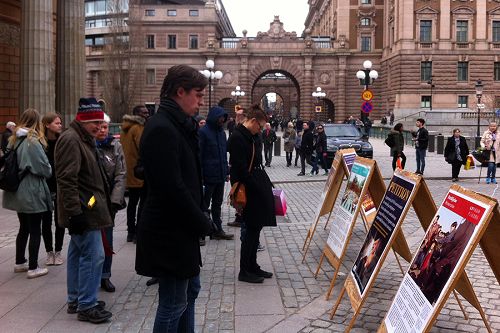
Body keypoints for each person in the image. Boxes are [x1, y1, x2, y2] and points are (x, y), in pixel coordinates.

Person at [135, 65, 213, 332]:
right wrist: (202, 221)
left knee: (190, 291)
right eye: (198, 94)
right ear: (180, 92)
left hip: (181, 228)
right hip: (168, 231)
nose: (201, 101)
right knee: (173, 302)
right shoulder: (161, 128)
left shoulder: (178, 125)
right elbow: (172, 188)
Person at [55, 98, 113, 323]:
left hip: (87, 205)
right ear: (83, 120)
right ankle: (86, 305)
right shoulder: (72, 139)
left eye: (101, 122)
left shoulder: (82, 137)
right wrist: (75, 213)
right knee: (93, 256)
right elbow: (67, 180)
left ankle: (77, 299)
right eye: (95, 123)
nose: (99, 127)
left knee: (78, 254)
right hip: (84, 209)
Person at [227, 104, 276, 283]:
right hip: (249, 188)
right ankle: (245, 270)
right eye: (260, 126)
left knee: (256, 229)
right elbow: (239, 169)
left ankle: (253, 265)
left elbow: (256, 162)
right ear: (253, 121)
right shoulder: (238, 138)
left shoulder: (251, 136)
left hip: (256, 183)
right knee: (250, 230)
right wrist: (256, 186)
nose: (261, 130)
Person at [3, 109, 52, 279]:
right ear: (36, 121)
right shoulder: (32, 140)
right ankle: (33, 267)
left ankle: (19, 262)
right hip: (31, 188)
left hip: (17, 188)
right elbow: (43, 168)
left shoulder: (13, 139)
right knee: (35, 229)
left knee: (23, 227)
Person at [96, 114, 126, 293]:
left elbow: (121, 174)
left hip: (109, 203)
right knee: (92, 242)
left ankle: (105, 275)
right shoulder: (88, 146)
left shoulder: (115, 146)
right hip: (92, 202)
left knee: (107, 240)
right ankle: (91, 276)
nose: (102, 130)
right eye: (99, 126)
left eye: (105, 127)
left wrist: (115, 200)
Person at [199, 106, 234, 241]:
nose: (222, 120)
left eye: (223, 118)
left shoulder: (221, 133)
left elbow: (223, 155)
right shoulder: (203, 132)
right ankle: (201, 232)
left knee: (217, 204)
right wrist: (200, 175)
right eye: (220, 118)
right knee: (203, 205)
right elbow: (199, 155)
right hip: (208, 176)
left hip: (219, 175)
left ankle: (217, 229)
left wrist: (226, 172)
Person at [121, 105, 149, 243]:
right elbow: (143, 147)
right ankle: (138, 232)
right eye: (144, 112)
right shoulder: (138, 128)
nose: (147, 114)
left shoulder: (125, 128)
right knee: (142, 203)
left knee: (132, 203)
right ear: (137, 114)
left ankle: (130, 231)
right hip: (139, 171)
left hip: (129, 171)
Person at [41, 113, 64, 266]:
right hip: (45, 186)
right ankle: (49, 252)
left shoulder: (62, 141)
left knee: (60, 221)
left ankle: (58, 251)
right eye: (56, 123)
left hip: (61, 185)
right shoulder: (40, 143)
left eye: (60, 122)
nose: (60, 125)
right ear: (47, 124)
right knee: (46, 221)